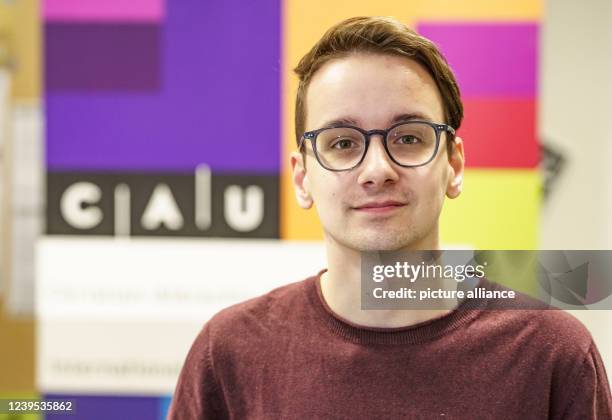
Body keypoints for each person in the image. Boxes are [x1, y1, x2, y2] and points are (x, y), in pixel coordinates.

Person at [168, 16, 612, 419]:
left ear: (453, 166)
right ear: (303, 178)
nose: (378, 170)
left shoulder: (551, 354)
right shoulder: (230, 353)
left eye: (408, 138)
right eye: (342, 142)